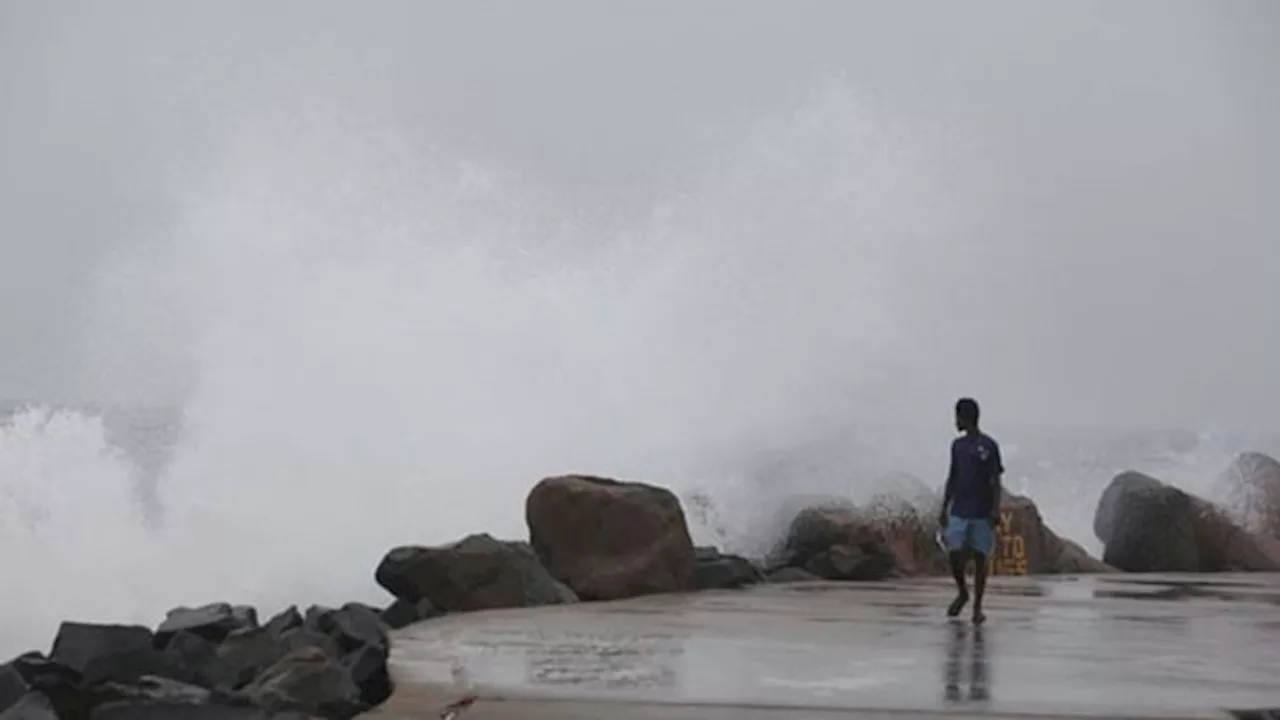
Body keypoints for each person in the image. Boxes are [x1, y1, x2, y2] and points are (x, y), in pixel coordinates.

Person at [939, 397, 1003, 624]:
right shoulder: (957, 446)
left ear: (965, 418)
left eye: (957, 416)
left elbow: (995, 481)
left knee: (980, 558)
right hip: (959, 509)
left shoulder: (989, 446)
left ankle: (977, 606)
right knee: (954, 553)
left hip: (981, 511)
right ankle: (963, 592)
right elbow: (952, 477)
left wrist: (995, 509)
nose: (955, 421)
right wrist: (944, 507)